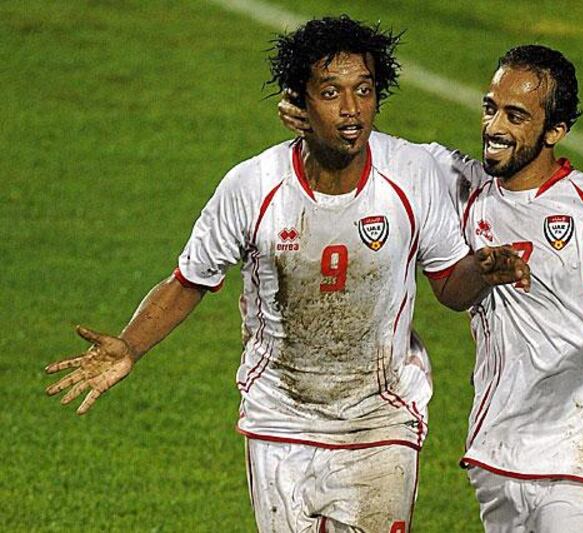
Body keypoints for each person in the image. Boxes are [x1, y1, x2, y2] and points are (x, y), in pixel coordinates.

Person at [44, 16, 529, 533]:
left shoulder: (411, 175)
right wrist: (131, 345)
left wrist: (479, 271)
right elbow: (189, 280)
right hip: (280, 417)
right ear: (298, 104)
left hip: (379, 418)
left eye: (364, 90)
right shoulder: (253, 187)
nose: (351, 109)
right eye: (331, 93)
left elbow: (449, 288)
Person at [280, 44, 583, 531]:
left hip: (580, 452)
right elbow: (374, 144)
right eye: (490, 107)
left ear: (555, 130)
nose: (494, 128)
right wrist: (313, 113)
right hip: (495, 452)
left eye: (515, 116)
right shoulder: (460, 184)